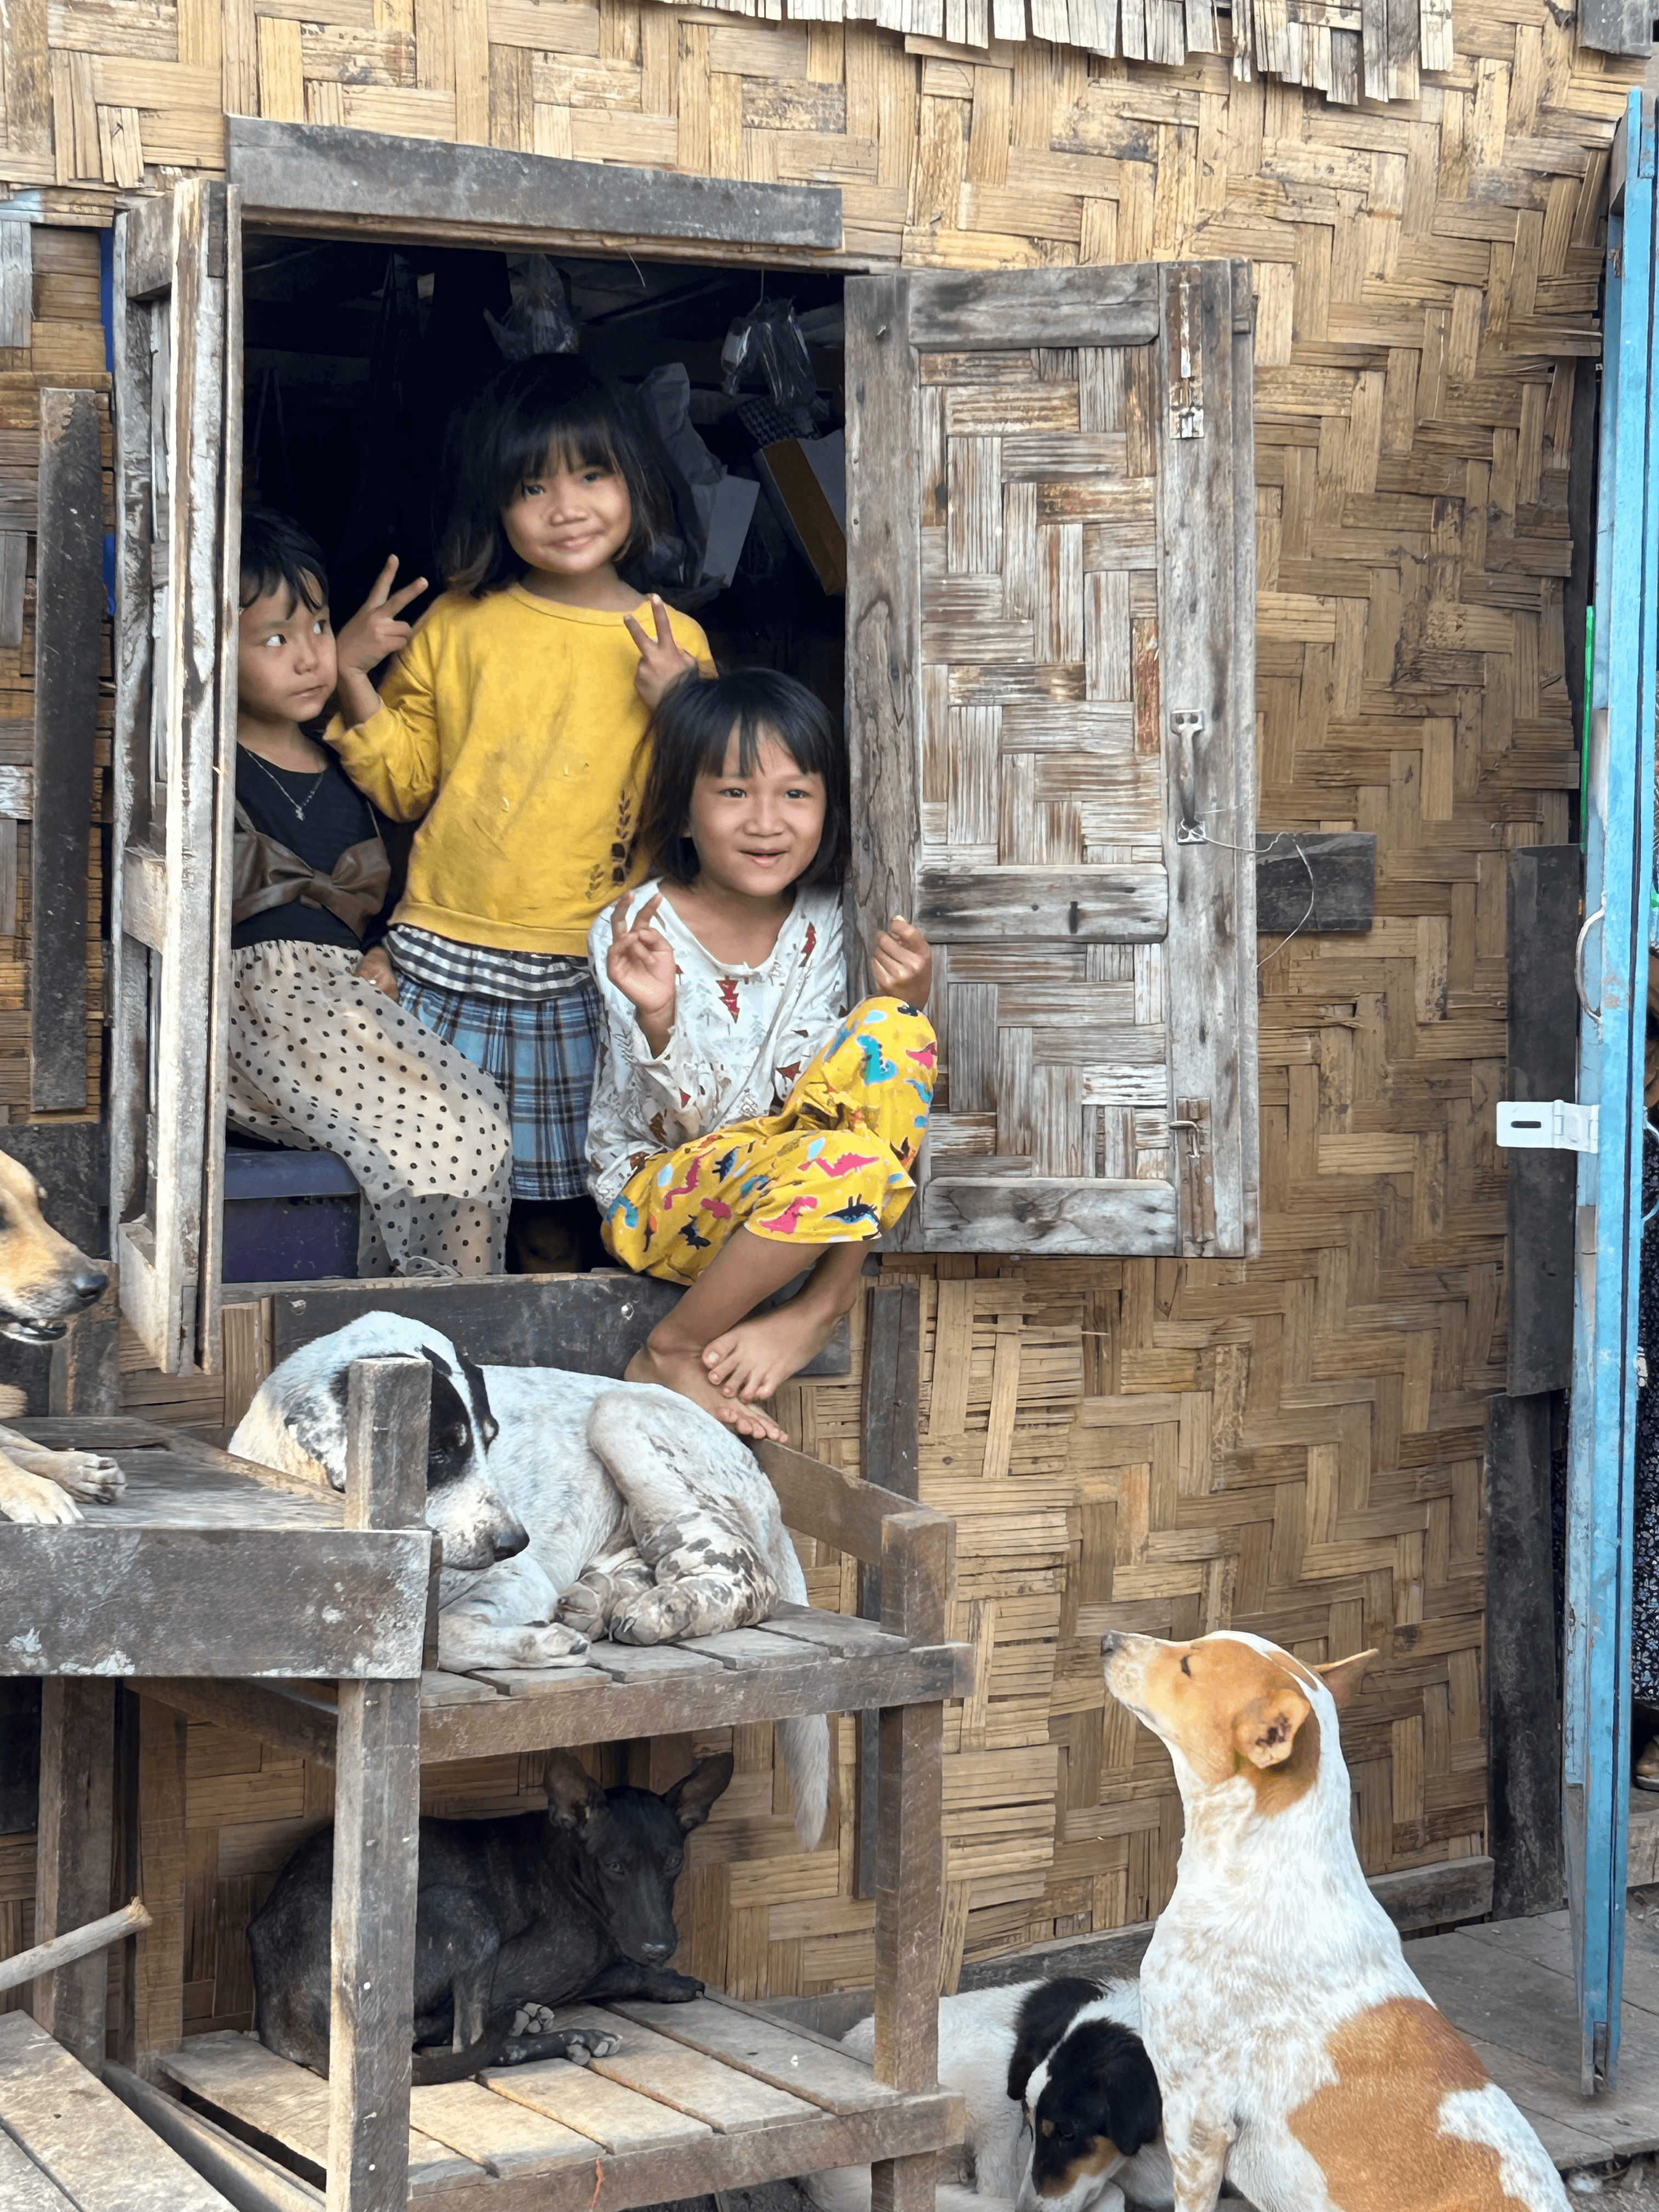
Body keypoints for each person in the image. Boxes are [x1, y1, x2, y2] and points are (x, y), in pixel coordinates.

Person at [325, 357, 715, 1268]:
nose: (565, 506)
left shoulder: (674, 644)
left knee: (559, 1215)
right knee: (433, 1199)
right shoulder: (459, 625)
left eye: (591, 474)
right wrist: (349, 674)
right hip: (446, 955)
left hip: (592, 961)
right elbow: (404, 783)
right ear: (496, 505)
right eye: (532, 485)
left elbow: (713, 811)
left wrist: (686, 708)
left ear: (636, 482)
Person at [586, 669, 936, 1441]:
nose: (766, 822)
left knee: (900, 1030)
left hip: (806, 1185)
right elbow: (692, 1126)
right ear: (683, 810)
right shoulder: (639, 931)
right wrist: (660, 1017)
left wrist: (911, 998)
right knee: (842, 1160)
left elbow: (863, 1102)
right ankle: (670, 1347)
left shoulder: (839, 919)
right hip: (667, 1200)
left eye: (795, 794)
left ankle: (821, 1305)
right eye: (735, 793)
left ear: (826, 808)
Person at [227, 509, 512, 1277]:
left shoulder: (344, 763)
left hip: (346, 1001)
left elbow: (387, 893)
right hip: (256, 1012)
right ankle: (426, 1307)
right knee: (436, 1136)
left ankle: (455, 1312)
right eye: (274, 639)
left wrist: (383, 950)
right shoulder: (213, 757)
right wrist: (338, 653)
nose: (307, 657)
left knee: (480, 1121)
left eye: (317, 627)